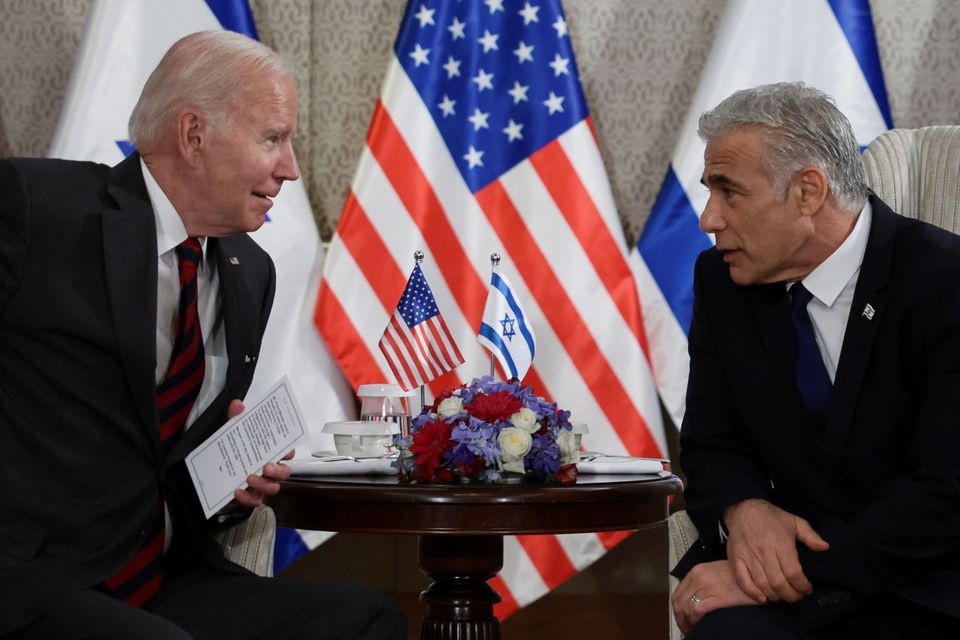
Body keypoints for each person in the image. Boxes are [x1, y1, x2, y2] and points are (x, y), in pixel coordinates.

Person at [0, 31, 406, 639]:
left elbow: (159, 456)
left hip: (161, 579)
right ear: (194, 135)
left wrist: (228, 481)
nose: (290, 169)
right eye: (273, 138)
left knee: (365, 619)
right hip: (33, 580)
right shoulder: (39, 209)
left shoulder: (250, 273)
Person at [671, 82, 960, 639]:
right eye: (710, 192)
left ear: (808, 191)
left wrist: (799, 570)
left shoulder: (943, 285)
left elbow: (945, 491)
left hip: (925, 586)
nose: (709, 219)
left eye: (729, 193)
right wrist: (745, 510)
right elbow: (712, 440)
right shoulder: (723, 282)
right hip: (785, 590)